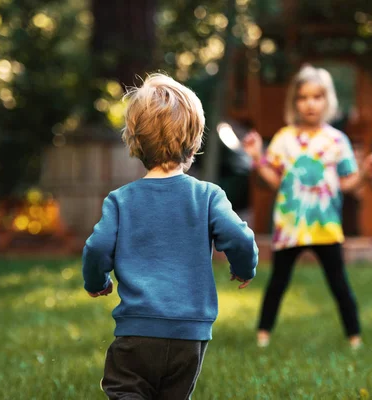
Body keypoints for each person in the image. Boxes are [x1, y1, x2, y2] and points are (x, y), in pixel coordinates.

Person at [83, 73, 259, 399]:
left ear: (135, 141)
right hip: (189, 337)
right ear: (194, 142)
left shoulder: (120, 200)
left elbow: (97, 247)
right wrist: (243, 267)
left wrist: (97, 282)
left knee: (126, 391)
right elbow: (239, 236)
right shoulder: (208, 196)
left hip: (137, 332)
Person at [242, 65, 372, 349]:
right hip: (289, 226)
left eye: (317, 97)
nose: (310, 103)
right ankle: (262, 337)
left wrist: (366, 174)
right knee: (278, 283)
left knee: (339, 284)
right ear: (294, 102)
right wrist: (257, 158)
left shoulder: (337, 141)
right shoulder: (283, 139)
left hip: (325, 225)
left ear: (327, 100)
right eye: (303, 97)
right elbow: (274, 181)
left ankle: (354, 338)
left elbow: (347, 183)